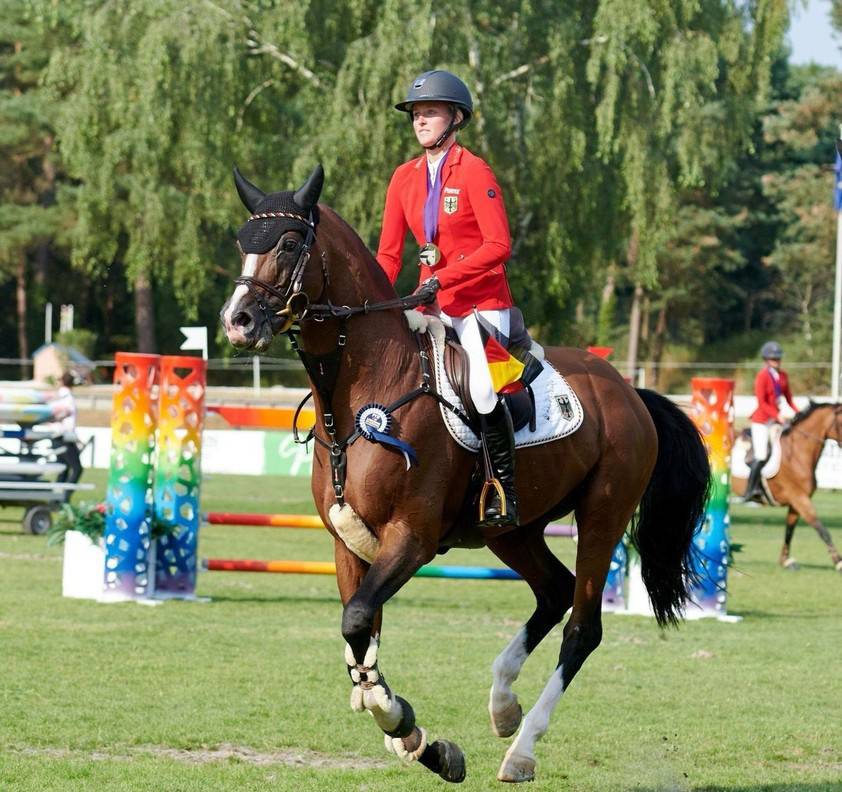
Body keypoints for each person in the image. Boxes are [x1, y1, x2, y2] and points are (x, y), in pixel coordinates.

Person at [376, 69, 520, 530]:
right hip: (426, 306)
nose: (420, 121)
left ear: (455, 118)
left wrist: (444, 279)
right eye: (416, 114)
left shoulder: (475, 171)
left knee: (480, 389)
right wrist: (378, 304)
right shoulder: (403, 178)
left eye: (430, 112)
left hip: (480, 306)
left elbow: (499, 246)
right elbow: (388, 255)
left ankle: (501, 488)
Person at [743, 341, 798, 502]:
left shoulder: (783, 376)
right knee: (761, 454)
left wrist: (798, 414)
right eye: (773, 358)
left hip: (776, 420)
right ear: (766, 359)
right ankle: (750, 490)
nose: (776, 361)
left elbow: (788, 399)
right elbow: (762, 402)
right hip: (761, 420)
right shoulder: (762, 376)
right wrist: (777, 415)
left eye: (778, 358)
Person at [50, 371, 83, 496]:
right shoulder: (68, 398)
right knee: (77, 469)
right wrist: (75, 438)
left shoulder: (57, 396)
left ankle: (56, 499)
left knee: (63, 469)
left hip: (56, 436)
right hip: (65, 437)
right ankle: (64, 498)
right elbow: (68, 423)